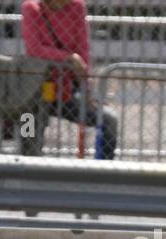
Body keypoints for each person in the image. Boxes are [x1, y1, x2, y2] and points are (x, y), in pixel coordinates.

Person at [21, 0, 119, 159]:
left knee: (109, 120)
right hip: (36, 91)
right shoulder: (31, 8)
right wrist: (69, 58)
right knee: (29, 128)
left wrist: (86, 88)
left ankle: (102, 173)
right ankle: (25, 171)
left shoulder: (77, 7)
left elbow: (83, 50)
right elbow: (34, 49)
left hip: (66, 91)